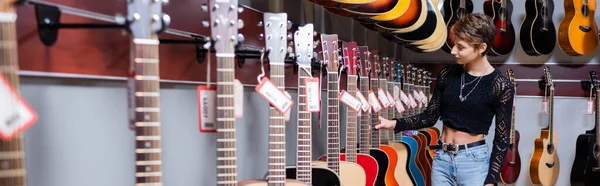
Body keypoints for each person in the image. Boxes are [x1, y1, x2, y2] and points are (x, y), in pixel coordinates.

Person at [376, 13, 514, 186]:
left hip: (473, 163)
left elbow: (501, 140)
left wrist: (491, 180)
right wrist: (394, 124)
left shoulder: (501, 85)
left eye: (461, 47)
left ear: (481, 48)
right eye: (454, 44)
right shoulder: (447, 74)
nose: (453, 51)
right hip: (441, 159)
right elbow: (430, 116)